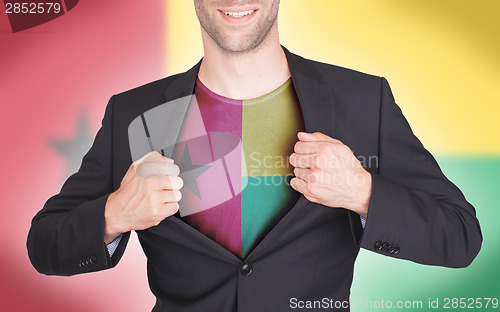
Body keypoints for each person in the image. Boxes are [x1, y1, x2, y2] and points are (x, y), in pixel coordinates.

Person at [27, 1, 482, 311]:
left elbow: (460, 237)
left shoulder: (363, 100)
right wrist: (114, 214)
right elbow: (44, 246)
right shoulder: (134, 112)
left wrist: (363, 192)